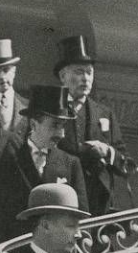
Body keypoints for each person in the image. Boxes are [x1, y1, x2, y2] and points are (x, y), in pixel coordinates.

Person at [0, 87, 85, 247]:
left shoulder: (71, 164)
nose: (61, 134)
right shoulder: (10, 160)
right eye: (54, 125)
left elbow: (81, 218)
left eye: (63, 126)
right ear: (33, 123)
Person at [52, 34, 128, 217]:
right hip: (62, 195)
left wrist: (108, 151)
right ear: (63, 76)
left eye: (89, 72)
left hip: (98, 200)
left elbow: (123, 159)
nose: (86, 78)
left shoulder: (105, 113)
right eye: (79, 72)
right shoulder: (52, 110)